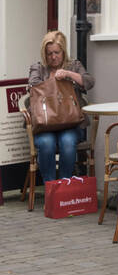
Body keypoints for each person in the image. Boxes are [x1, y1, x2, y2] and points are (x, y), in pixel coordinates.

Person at [27, 30, 94, 185]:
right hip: (45, 124)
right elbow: (33, 88)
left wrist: (68, 74)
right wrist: (52, 80)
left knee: (67, 142)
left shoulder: (74, 65)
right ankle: (51, 188)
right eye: (49, 53)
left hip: (70, 122)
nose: (53, 57)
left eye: (57, 52)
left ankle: (65, 186)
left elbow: (89, 82)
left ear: (63, 51)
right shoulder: (38, 68)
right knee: (46, 143)